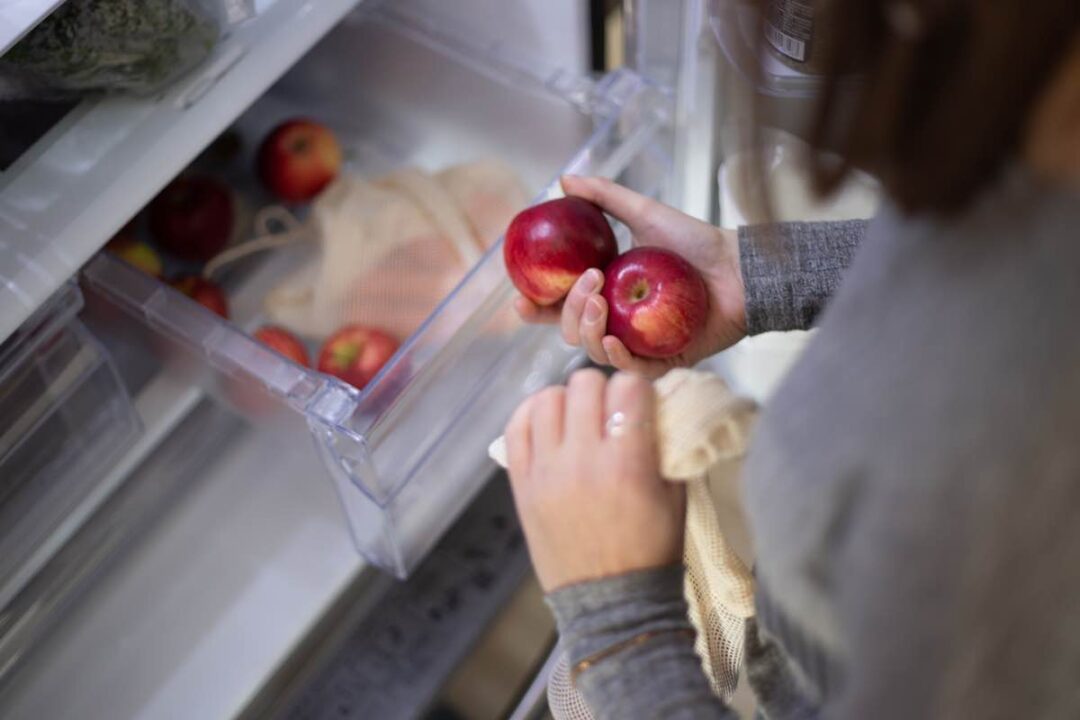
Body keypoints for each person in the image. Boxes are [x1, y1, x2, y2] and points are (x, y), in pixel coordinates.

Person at [503, 1, 1080, 718]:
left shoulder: (969, 467)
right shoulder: (1033, 138)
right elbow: (980, 259)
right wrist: (758, 276)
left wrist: (620, 625)